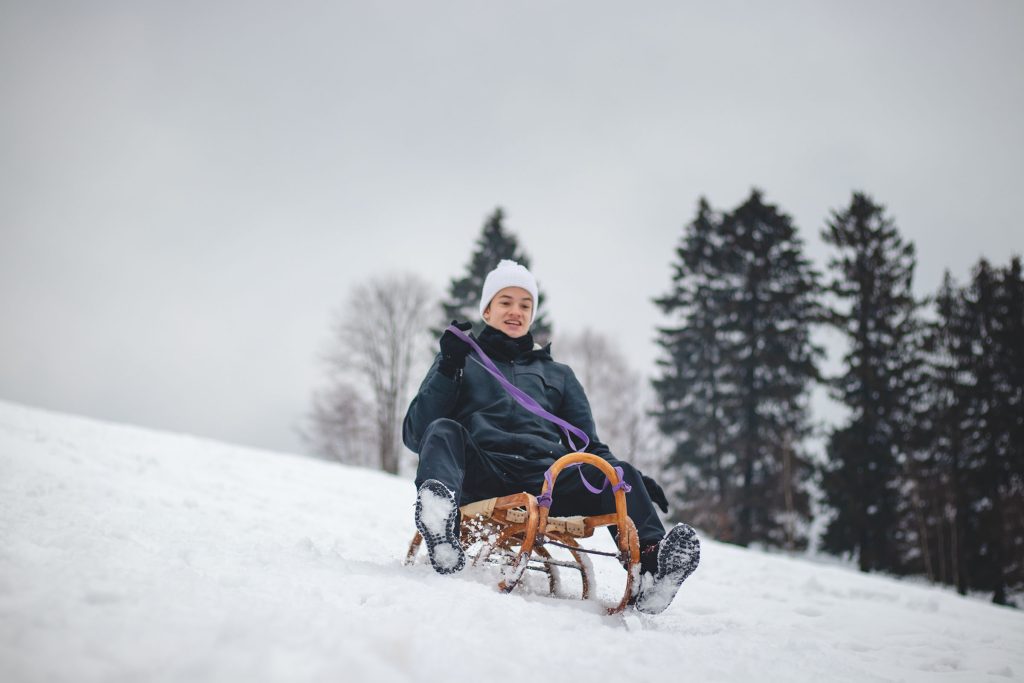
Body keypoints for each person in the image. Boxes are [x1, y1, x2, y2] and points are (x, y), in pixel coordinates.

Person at [403, 259, 699, 614]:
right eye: (506, 302)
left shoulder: (558, 374)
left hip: (546, 482)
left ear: (533, 313)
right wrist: (448, 366)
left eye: (525, 305)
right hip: (484, 472)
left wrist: (630, 480)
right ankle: (440, 523)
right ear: (486, 309)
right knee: (443, 429)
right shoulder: (461, 362)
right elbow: (417, 432)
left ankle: (653, 571)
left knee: (619, 474)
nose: (516, 311)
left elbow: (588, 444)